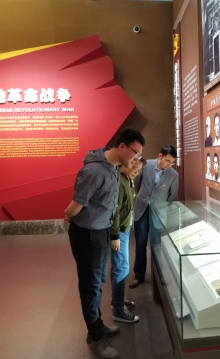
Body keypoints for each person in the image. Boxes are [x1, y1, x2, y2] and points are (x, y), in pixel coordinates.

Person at [64, 128, 145, 359]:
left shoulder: (115, 167)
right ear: (122, 147)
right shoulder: (94, 171)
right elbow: (74, 207)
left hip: (101, 232)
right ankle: (95, 336)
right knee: (90, 287)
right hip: (87, 235)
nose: (136, 159)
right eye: (136, 153)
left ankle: (97, 325)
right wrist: (69, 214)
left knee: (98, 282)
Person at [129, 145, 179, 289]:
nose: (169, 165)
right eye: (167, 161)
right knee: (140, 243)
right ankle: (139, 275)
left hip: (159, 212)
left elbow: (172, 195)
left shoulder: (173, 175)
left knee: (157, 245)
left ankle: (160, 273)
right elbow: (137, 183)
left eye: (172, 162)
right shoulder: (146, 165)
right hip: (142, 208)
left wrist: (161, 205)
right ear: (160, 156)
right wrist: (142, 198)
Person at [109, 156, 145, 324]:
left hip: (124, 228)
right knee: (121, 267)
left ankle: (116, 300)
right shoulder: (120, 182)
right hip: (119, 232)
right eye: (134, 168)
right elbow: (115, 211)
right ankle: (118, 308)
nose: (136, 172)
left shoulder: (128, 180)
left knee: (120, 266)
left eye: (139, 171)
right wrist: (115, 236)